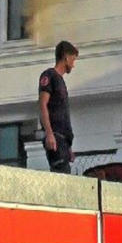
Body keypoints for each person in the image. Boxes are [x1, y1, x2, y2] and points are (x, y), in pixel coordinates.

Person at [38, 40, 78, 174]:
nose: (73, 65)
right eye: (73, 59)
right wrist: (49, 133)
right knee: (62, 175)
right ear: (66, 58)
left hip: (63, 142)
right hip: (55, 138)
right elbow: (43, 105)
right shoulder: (49, 76)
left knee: (65, 174)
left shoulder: (61, 81)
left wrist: (68, 148)